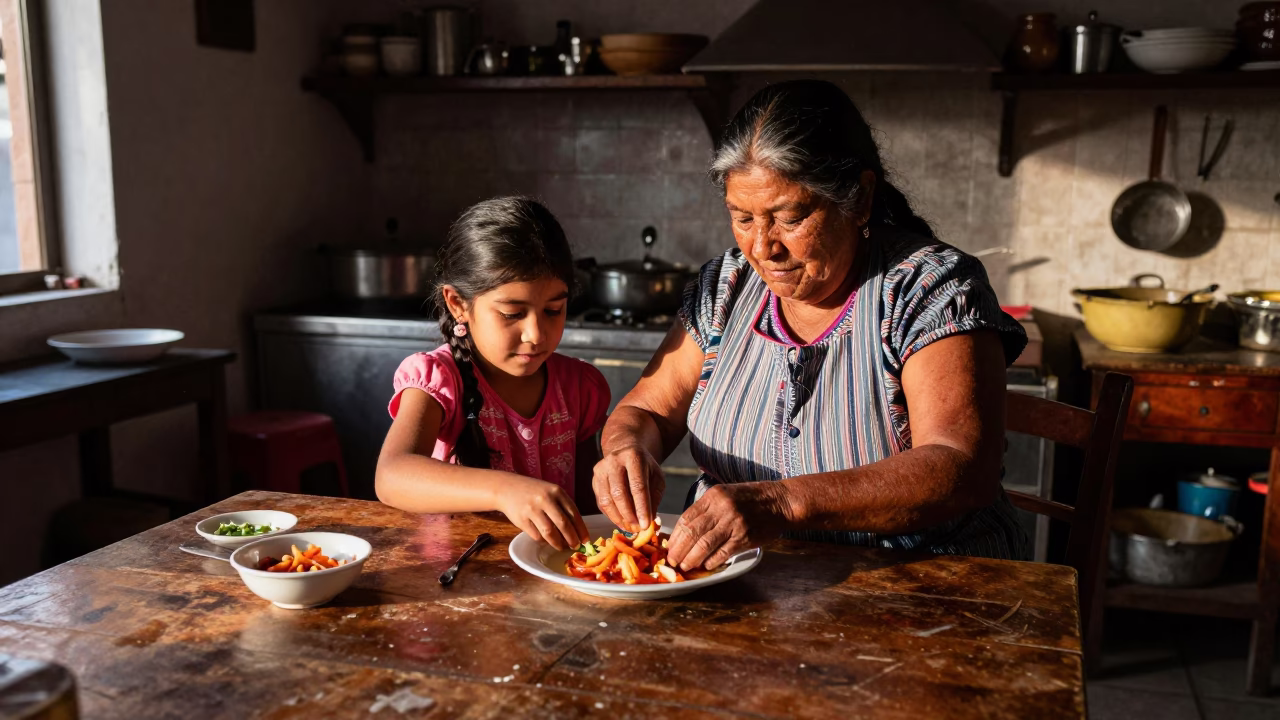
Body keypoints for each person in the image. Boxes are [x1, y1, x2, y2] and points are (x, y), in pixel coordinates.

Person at [592, 80, 1030, 572]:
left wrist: (780, 503)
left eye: (790, 217)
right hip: (757, 583)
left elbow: (960, 466)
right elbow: (647, 411)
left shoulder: (930, 288)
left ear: (860, 199)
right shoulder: (727, 286)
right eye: (742, 218)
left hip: (920, 587)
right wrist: (627, 450)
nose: (762, 247)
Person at [377, 196, 610, 550]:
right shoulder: (440, 381)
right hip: (461, 580)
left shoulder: (578, 388)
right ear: (458, 304)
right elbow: (391, 475)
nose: (536, 334)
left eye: (553, 310)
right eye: (513, 313)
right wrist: (504, 489)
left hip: (552, 577)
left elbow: (590, 511)